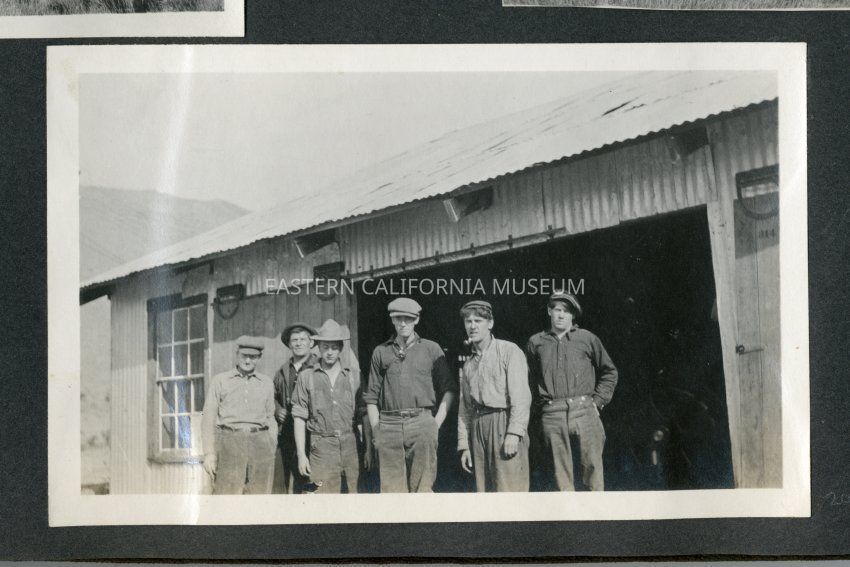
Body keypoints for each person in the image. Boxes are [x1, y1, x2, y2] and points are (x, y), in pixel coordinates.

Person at [525, 291, 618, 491]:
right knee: (561, 479)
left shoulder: (587, 338)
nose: (561, 315)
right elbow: (530, 380)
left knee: (593, 472)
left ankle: (595, 512)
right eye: (557, 310)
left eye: (566, 311)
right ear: (549, 311)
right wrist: (541, 409)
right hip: (552, 414)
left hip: (585, 411)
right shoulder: (536, 342)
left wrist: (597, 402)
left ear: (573, 315)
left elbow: (609, 371)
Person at [364, 297, 456, 493]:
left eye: (408, 318)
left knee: (423, 490)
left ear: (417, 320)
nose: (403, 323)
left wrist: (434, 424)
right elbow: (371, 397)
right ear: (392, 320)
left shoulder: (431, 349)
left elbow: (449, 390)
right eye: (399, 318)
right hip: (389, 425)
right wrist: (377, 430)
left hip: (422, 423)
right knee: (392, 494)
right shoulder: (381, 352)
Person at [457, 300, 532, 492]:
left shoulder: (509, 351)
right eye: (468, 321)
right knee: (484, 492)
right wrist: (464, 445)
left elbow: (521, 397)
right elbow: (465, 408)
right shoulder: (468, 365)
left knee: (509, 490)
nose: (472, 326)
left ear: (490, 323)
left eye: (478, 321)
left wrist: (514, 433)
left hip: (503, 423)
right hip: (478, 427)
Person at [290, 319, 362, 493]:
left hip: (350, 446)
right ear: (318, 348)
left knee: (353, 496)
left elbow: (362, 413)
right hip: (321, 447)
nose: (330, 352)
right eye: (325, 347)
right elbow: (299, 418)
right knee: (321, 498)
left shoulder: (352, 376)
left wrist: (367, 450)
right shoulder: (306, 377)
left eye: (334, 347)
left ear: (340, 348)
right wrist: (301, 455)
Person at [202, 336, 277, 495]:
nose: (248, 360)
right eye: (244, 356)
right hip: (230, 442)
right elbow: (208, 418)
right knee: (228, 495)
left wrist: (272, 444)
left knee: (260, 496)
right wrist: (209, 453)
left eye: (253, 357)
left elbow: (271, 417)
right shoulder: (220, 381)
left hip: (261, 443)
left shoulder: (266, 383)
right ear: (237, 354)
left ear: (259, 358)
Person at [272, 322, 318, 494]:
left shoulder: (318, 366)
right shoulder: (282, 370)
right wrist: (277, 409)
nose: (298, 343)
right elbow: (272, 395)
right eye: (294, 340)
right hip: (287, 432)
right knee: (284, 479)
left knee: (309, 477)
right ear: (289, 344)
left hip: (311, 432)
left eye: (302, 339)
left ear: (311, 343)